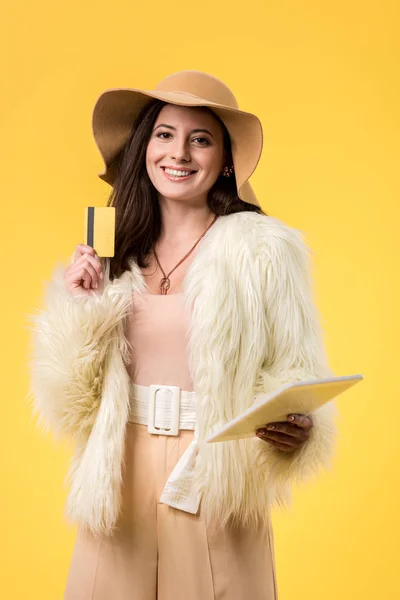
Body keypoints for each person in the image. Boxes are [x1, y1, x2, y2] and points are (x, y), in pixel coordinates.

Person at [27, 70, 338, 600]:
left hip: (211, 474)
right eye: (165, 135)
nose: (180, 153)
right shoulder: (112, 249)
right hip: (120, 474)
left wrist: (299, 429)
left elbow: (297, 372)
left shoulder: (263, 249)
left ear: (226, 159)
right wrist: (80, 309)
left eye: (201, 139)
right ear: (144, 148)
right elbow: (72, 407)